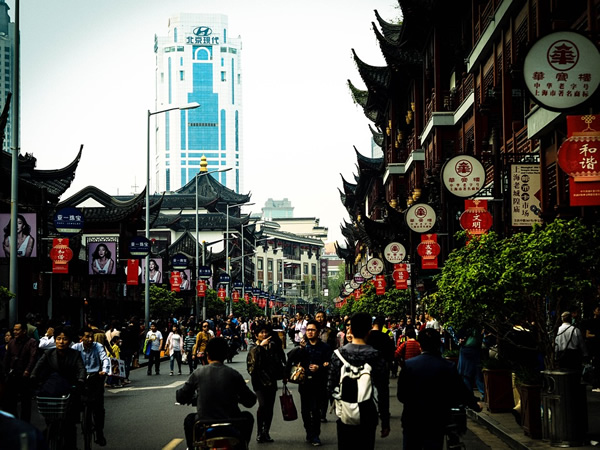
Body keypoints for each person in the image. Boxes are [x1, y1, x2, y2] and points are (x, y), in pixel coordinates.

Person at [397, 328, 483, 450]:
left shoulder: (409, 365)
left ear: (420, 345)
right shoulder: (448, 366)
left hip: (412, 419)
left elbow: (401, 395)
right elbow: (461, 391)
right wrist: (475, 404)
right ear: (438, 344)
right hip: (437, 420)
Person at [176, 337, 257, 450]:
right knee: (248, 417)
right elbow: (250, 401)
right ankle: (243, 446)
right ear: (226, 355)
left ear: (207, 354)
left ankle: (191, 447)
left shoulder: (198, 373)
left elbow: (181, 396)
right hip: (232, 423)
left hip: (204, 423)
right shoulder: (233, 374)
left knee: (189, 419)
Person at [328, 312, 390, 450]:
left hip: (345, 412)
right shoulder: (376, 355)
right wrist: (385, 421)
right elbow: (383, 390)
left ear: (350, 330)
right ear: (369, 332)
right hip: (368, 411)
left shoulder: (338, 355)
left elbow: (331, 386)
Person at [31, 326, 86, 450]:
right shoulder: (48, 353)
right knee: (49, 420)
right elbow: (37, 367)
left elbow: (81, 369)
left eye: (65, 339)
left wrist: (81, 380)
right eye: (59, 339)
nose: (61, 342)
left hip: (70, 389)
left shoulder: (75, 354)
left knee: (70, 424)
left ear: (69, 341)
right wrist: (33, 377)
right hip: (52, 390)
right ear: (55, 340)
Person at [287, 319, 331, 446]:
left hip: (319, 382)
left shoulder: (325, 347)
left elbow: (330, 364)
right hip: (304, 382)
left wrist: (320, 368)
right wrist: (300, 349)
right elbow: (292, 361)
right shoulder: (303, 346)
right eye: (308, 330)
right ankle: (309, 432)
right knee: (305, 411)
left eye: (312, 330)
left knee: (316, 409)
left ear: (318, 332)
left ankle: (316, 434)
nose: (310, 332)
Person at [247, 322, 286, 443]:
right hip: (259, 381)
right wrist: (260, 348)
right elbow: (252, 368)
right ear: (256, 335)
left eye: (265, 332)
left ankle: (266, 432)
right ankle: (259, 432)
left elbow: (279, 361)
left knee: (270, 407)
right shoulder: (253, 347)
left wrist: (284, 374)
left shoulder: (273, 346)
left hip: (271, 379)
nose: (264, 335)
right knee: (262, 405)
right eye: (261, 333)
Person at [72, 327, 110, 447]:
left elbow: (105, 358)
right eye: (87, 336)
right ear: (81, 338)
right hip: (81, 379)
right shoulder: (75, 348)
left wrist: (104, 371)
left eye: (91, 336)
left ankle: (99, 432)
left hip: (95, 378)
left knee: (99, 407)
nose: (89, 339)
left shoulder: (98, 346)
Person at [2, 322, 39, 422]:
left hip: (24, 376)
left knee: (25, 402)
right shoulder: (11, 342)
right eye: (14, 330)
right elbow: (7, 358)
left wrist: (28, 370)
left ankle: (25, 423)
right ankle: (15, 421)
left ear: (24, 331)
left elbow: (33, 358)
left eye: (17, 330)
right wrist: (5, 372)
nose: (15, 332)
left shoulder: (31, 342)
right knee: (10, 402)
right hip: (13, 375)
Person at [584, 305, 600, 392]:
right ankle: (595, 384)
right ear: (594, 311)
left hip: (595, 347)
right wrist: (596, 336)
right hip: (594, 347)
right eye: (598, 310)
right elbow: (587, 334)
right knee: (595, 366)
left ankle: (596, 384)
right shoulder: (591, 322)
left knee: (596, 366)